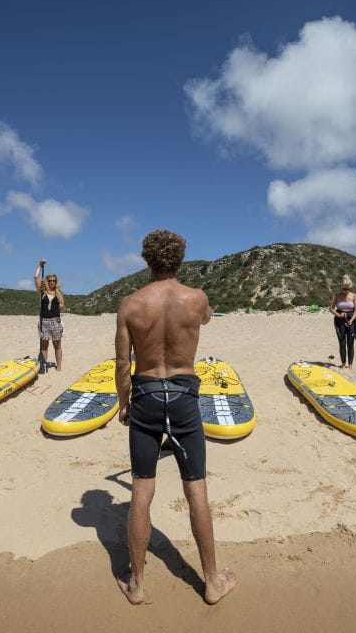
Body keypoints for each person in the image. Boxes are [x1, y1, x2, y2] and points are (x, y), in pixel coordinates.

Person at [114, 230, 236, 606]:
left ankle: (137, 584)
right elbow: (208, 318)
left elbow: (123, 363)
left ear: (146, 260)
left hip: (147, 395)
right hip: (183, 397)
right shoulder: (196, 299)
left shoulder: (130, 305)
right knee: (196, 488)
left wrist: (123, 404)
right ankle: (212, 581)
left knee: (142, 489)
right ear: (180, 259)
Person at [34, 259, 65, 371]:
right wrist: (40, 266)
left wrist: (61, 307)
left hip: (55, 321)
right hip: (44, 321)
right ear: (47, 281)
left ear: (56, 282)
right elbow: (36, 278)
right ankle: (43, 366)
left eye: (54, 281)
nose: (52, 282)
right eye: (50, 280)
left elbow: (62, 307)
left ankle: (59, 367)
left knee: (57, 344)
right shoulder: (43, 292)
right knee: (44, 345)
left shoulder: (59, 294)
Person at [328, 274, 356, 369]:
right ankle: (343, 363)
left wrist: (351, 320)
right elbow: (331, 309)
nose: (345, 291)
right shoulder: (337, 295)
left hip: (351, 319)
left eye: (347, 289)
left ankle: (350, 364)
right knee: (342, 342)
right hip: (339, 320)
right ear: (341, 287)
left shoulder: (354, 296)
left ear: (349, 288)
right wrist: (339, 315)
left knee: (350, 343)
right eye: (343, 289)